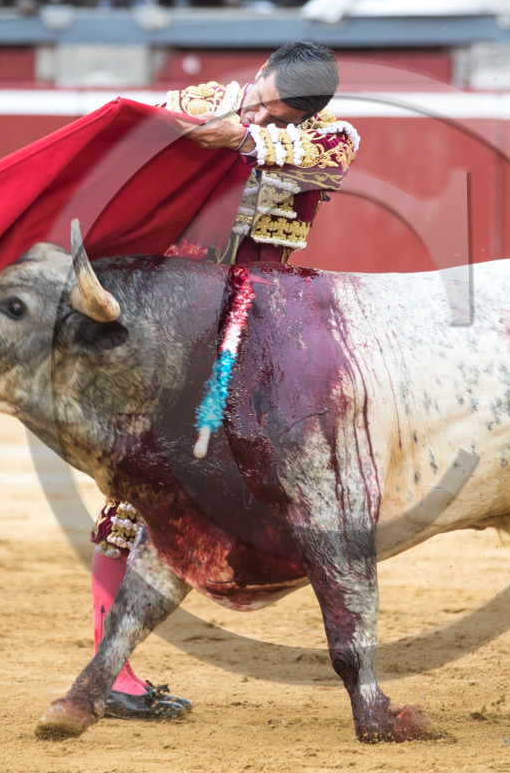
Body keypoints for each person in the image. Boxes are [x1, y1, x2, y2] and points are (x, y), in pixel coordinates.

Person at [87, 41, 359, 720]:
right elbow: (125, 140)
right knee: (140, 488)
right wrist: (179, 128)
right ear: (260, 72)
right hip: (179, 329)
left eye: (280, 113)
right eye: (262, 98)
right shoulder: (200, 103)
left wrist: (239, 134)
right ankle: (109, 669)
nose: (266, 114)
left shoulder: (331, 137)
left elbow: (306, 153)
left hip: (269, 333)